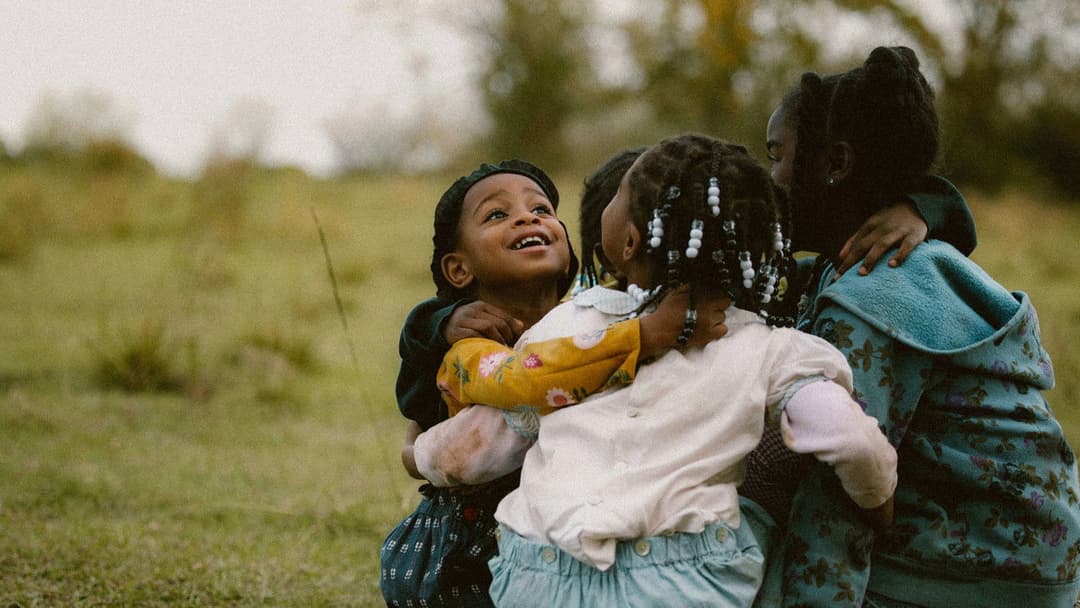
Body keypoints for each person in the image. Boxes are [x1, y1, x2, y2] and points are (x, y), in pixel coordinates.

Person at [426, 134, 900, 607]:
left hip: (539, 574)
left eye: (617, 197)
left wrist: (417, 456)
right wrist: (878, 502)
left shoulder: (567, 327)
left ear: (628, 242)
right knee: (757, 524)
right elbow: (849, 437)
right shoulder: (774, 349)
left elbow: (480, 445)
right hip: (683, 582)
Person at [765, 46, 1080, 607]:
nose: (770, 179)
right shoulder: (911, 258)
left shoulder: (869, 297)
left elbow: (838, 498)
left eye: (776, 156)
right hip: (1033, 555)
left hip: (975, 568)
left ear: (834, 164)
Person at [380, 159, 710, 607]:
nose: (527, 217)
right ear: (459, 270)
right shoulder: (466, 351)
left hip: (580, 523)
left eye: (542, 209)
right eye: (496, 214)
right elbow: (527, 381)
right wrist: (644, 337)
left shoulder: (592, 316)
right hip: (478, 546)